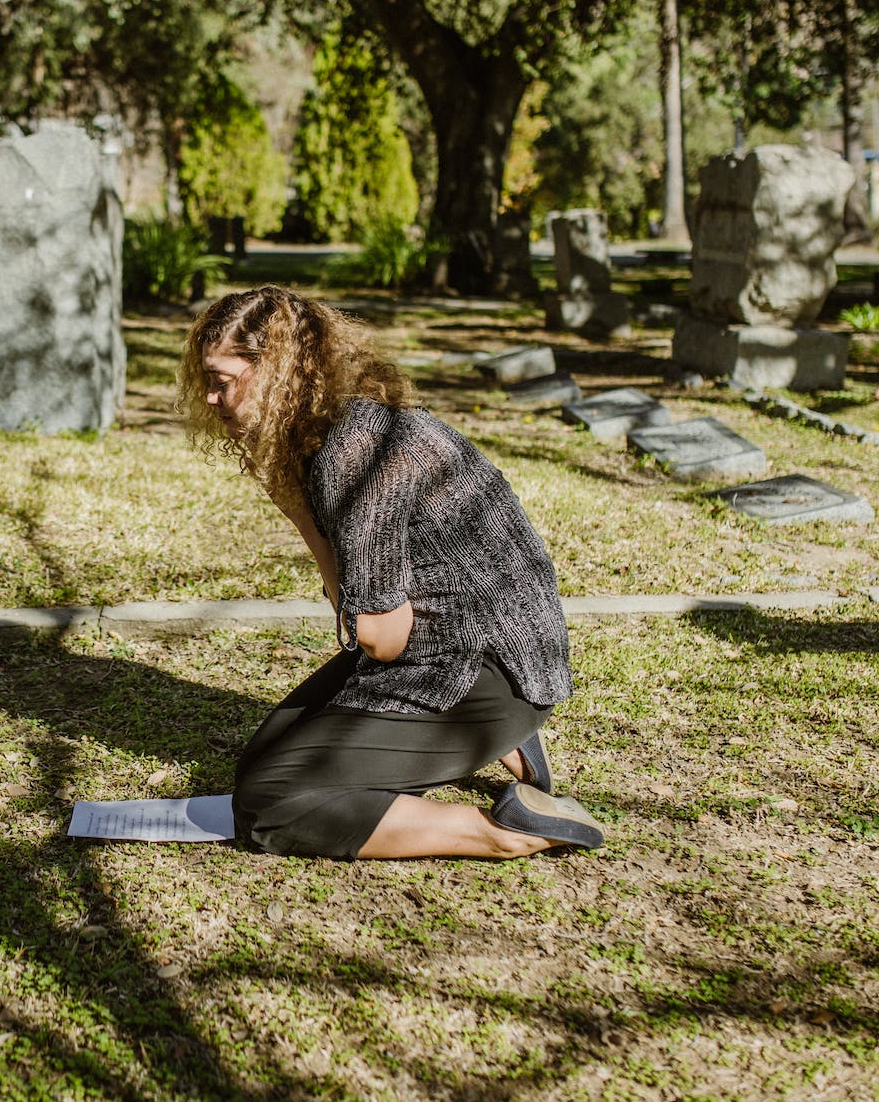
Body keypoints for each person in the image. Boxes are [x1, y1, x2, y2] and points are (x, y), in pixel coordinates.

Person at [178, 285, 605, 861]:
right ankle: (506, 741)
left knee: (271, 802)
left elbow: (380, 637)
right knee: (262, 763)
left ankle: (508, 831)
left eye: (223, 380)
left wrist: (302, 515)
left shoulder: (354, 451)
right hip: (476, 645)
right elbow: (371, 615)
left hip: (482, 667)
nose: (209, 397)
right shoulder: (344, 431)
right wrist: (297, 506)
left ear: (276, 371)